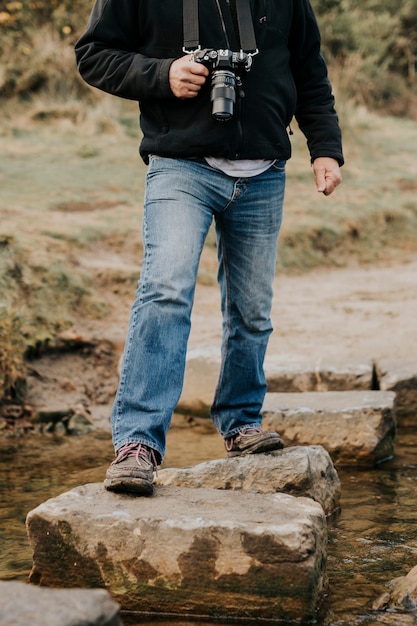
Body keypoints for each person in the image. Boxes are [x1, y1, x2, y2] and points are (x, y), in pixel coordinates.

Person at [75, 0, 343, 496]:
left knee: (252, 309)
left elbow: (308, 68)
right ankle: (137, 444)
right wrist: (162, 74)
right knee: (165, 290)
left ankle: (241, 423)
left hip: (264, 172)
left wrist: (324, 148)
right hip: (181, 166)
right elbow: (93, 53)